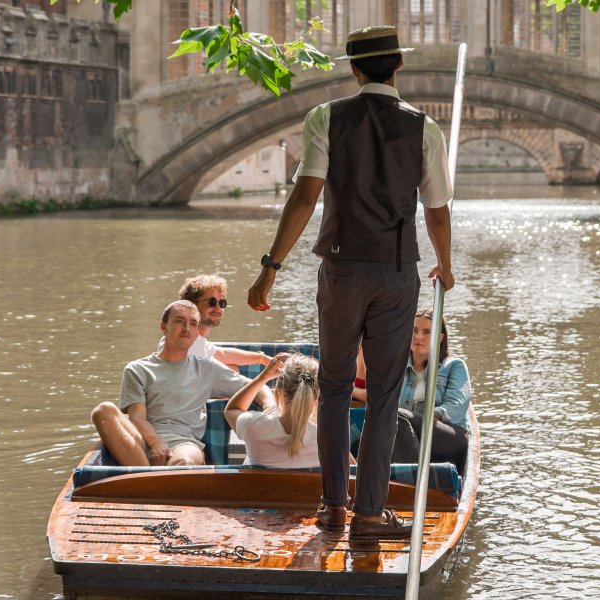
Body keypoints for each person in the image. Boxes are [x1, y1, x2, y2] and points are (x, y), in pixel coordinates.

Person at [247, 25, 454, 540]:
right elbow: (438, 214)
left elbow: (304, 198)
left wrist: (270, 268)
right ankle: (369, 514)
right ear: (397, 67)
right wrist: (445, 267)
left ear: (355, 70)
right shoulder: (425, 128)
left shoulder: (326, 118)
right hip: (396, 271)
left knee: (336, 390)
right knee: (384, 395)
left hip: (340, 269)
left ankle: (333, 508)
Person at [91, 300, 272, 467]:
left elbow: (257, 387)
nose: (187, 328)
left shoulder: (206, 368)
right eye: (179, 321)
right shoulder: (137, 369)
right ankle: (148, 480)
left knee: (185, 461)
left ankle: (146, 483)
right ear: (164, 327)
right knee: (103, 411)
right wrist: (155, 443)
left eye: (193, 323)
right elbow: (137, 417)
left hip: (182, 444)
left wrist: (271, 408)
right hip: (139, 440)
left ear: (196, 333)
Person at [391, 309, 472, 472]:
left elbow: (456, 407)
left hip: (448, 437)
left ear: (440, 338)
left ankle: (410, 476)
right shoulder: (396, 367)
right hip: (406, 439)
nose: (418, 337)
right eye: (414, 331)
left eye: (427, 332)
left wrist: (429, 417)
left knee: (397, 415)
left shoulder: (454, 366)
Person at [224, 353, 322, 468]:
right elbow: (348, 469)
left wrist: (263, 377)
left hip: (259, 486)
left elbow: (232, 409)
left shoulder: (254, 425)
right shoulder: (328, 437)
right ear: (316, 400)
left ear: (278, 391)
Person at [159, 275, 273, 370]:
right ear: (192, 305)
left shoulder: (197, 341)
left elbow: (222, 353)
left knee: (232, 368)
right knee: (232, 370)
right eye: (211, 302)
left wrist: (261, 358)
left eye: (222, 303)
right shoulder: (183, 340)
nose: (218, 308)